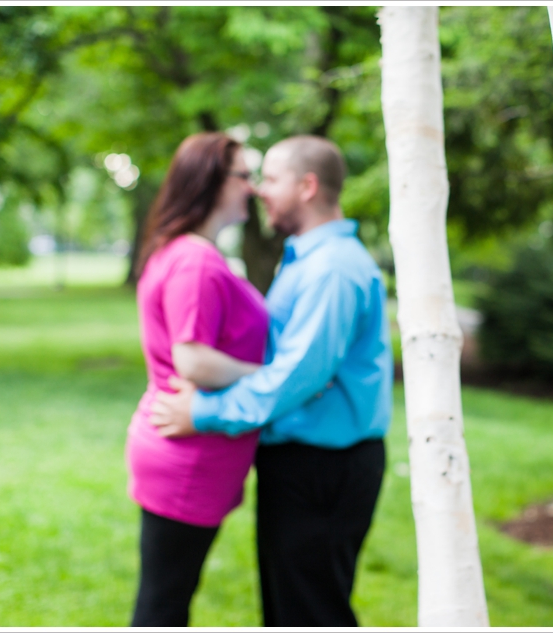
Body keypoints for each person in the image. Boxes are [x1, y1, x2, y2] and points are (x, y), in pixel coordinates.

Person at [149, 135, 393, 627]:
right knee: (293, 607)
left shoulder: (331, 270)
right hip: (305, 463)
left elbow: (295, 380)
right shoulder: (306, 257)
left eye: (272, 179)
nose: (260, 191)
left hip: (324, 466)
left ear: (307, 186)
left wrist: (202, 413)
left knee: (310, 611)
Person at [126, 132, 267, 626]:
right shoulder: (195, 259)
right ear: (211, 180)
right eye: (244, 176)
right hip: (187, 457)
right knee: (163, 606)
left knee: (167, 598)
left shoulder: (187, 252)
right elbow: (193, 361)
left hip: (188, 447)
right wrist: (275, 378)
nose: (252, 187)